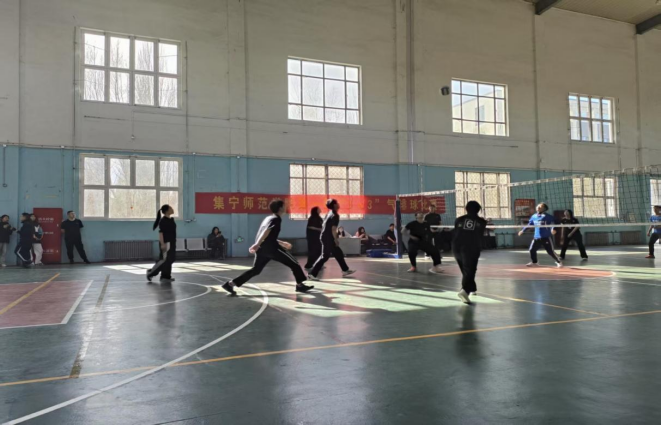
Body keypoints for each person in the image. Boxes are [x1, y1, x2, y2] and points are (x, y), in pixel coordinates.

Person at [222, 200, 314, 296]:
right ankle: (300, 285)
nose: (286, 207)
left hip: (263, 249)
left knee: (256, 270)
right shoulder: (276, 219)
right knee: (294, 263)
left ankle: (230, 284)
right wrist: (257, 244)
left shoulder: (268, 218)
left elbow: (268, 235)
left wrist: (281, 243)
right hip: (272, 249)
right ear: (280, 208)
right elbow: (267, 231)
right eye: (284, 206)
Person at [309, 199, 356, 281]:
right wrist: (335, 239)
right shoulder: (335, 215)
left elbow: (325, 226)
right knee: (325, 257)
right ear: (334, 205)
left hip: (326, 237)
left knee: (338, 253)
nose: (338, 204)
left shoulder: (329, 213)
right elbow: (333, 229)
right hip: (328, 238)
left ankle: (345, 270)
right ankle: (312, 274)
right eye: (337, 203)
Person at [454, 201, 488, 305]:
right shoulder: (482, 222)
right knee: (470, 270)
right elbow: (479, 234)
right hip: (471, 248)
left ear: (466, 209)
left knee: (466, 270)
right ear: (478, 210)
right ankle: (465, 291)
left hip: (456, 247)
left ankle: (472, 288)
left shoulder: (458, 219)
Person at [518, 203, 563, 268]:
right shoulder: (534, 216)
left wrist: (553, 229)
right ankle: (535, 262)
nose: (538, 207)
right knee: (531, 250)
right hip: (536, 237)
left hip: (546, 237)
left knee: (550, 252)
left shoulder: (547, 216)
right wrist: (522, 230)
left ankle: (559, 262)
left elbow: (556, 222)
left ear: (544, 209)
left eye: (540, 207)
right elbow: (529, 224)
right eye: (538, 206)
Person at [147, 205, 177, 282]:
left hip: (172, 242)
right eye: (170, 208)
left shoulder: (171, 220)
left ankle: (165, 277)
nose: (172, 209)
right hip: (166, 243)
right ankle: (151, 272)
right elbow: (161, 233)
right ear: (167, 211)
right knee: (164, 260)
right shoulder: (163, 221)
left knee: (170, 259)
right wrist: (162, 244)